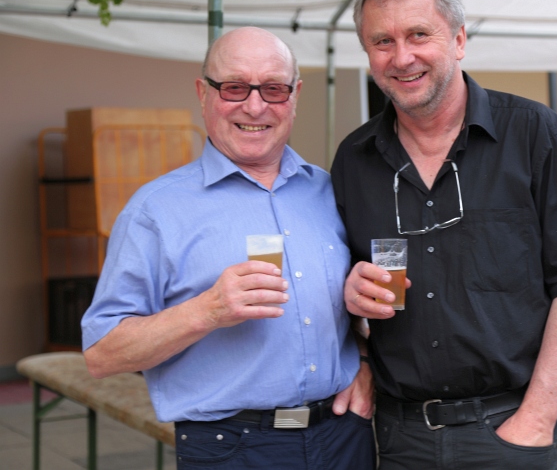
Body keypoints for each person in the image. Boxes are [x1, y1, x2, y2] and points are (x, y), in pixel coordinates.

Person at [331, 0, 557, 470]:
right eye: (382, 41)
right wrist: (351, 304)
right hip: (400, 438)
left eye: (419, 34)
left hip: (510, 429)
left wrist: (537, 418)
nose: (402, 57)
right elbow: (336, 288)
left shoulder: (534, 134)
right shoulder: (354, 160)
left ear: (459, 39)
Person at [81, 27, 376, 470]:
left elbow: (350, 312)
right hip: (231, 448)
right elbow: (101, 353)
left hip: (343, 436)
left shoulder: (328, 191)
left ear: (295, 95)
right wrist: (207, 311)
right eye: (234, 87)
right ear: (203, 94)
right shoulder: (155, 210)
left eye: (273, 89)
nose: (255, 106)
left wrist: (365, 360)